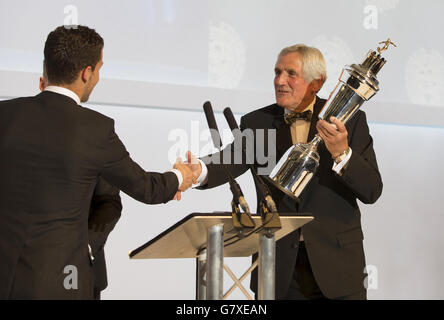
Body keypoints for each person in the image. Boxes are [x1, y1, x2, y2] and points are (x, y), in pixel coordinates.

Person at [0, 25, 193, 299]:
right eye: (99, 69)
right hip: (61, 284)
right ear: (86, 72)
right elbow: (147, 188)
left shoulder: (4, 115)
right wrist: (179, 175)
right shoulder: (95, 129)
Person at [186, 44, 383, 300]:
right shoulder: (258, 123)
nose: (280, 80)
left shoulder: (350, 120)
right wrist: (197, 171)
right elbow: (229, 160)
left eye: (291, 73)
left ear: (317, 82)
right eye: (277, 72)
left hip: (338, 267)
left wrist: (342, 154)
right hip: (277, 268)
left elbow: (372, 190)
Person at [40, 74, 122, 300]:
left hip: (82, 272)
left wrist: (85, 245)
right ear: (41, 86)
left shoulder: (94, 137)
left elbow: (109, 202)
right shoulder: (15, 136)